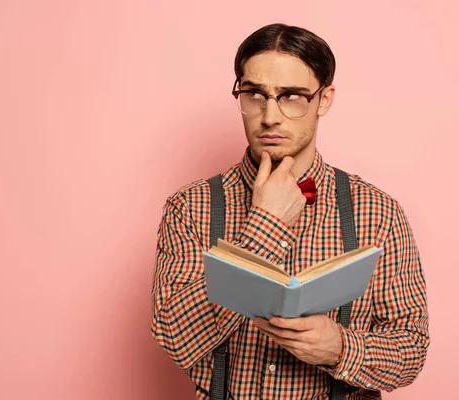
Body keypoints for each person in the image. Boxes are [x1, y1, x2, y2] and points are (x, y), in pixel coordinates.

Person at [151, 23, 429, 399]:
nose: (270, 116)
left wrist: (341, 348)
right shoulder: (191, 207)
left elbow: (411, 351)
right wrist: (267, 225)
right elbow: (175, 338)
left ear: (324, 100)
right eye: (255, 94)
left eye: (292, 96)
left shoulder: (377, 211)